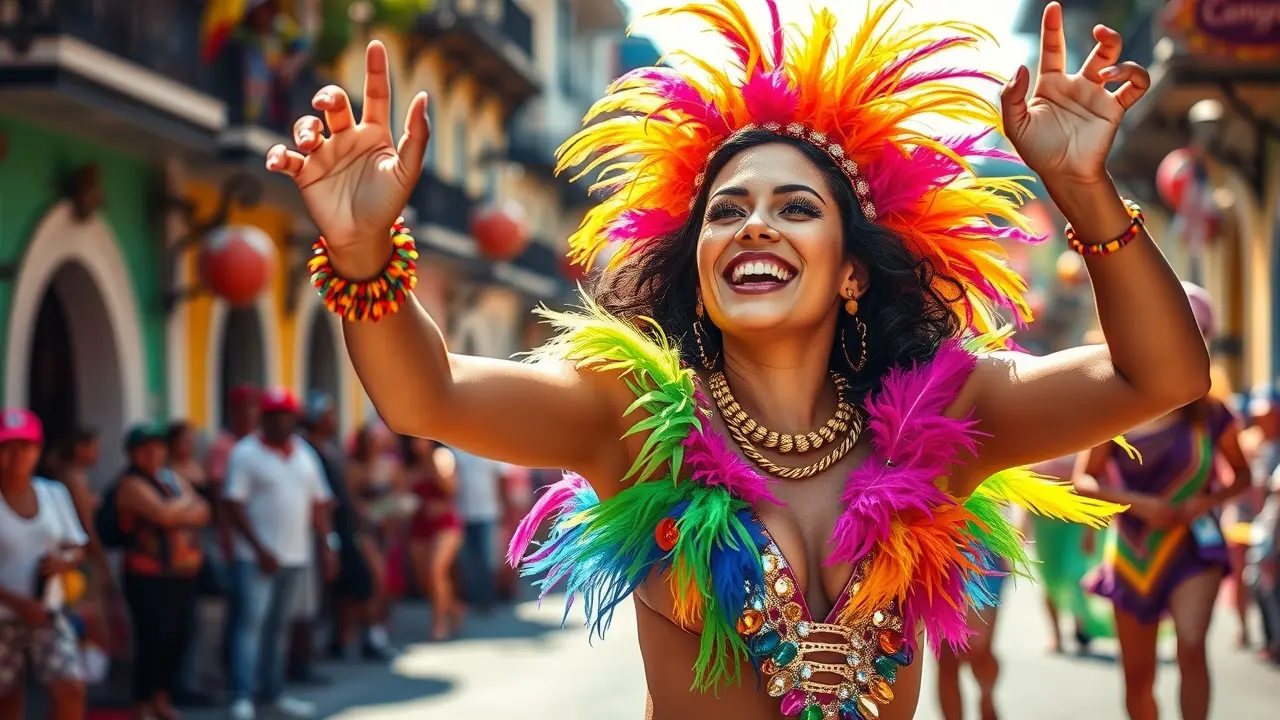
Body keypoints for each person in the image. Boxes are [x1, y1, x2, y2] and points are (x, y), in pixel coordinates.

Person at [265, 2, 1209, 717]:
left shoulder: (946, 420)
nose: (754, 221)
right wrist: (362, 256)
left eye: (797, 207)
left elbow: (1164, 377)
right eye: (726, 210)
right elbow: (425, 394)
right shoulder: (633, 415)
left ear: (851, 272)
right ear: (702, 267)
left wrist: (1084, 191)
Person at [1074, 283, 1254, 720]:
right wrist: (1140, 504)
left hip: (1194, 545)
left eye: (1196, 336)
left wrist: (1205, 500)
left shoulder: (1214, 413)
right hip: (1132, 548)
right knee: (1139, 677)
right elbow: (1084, 481)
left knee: (1192, 645)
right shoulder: (1115, 406)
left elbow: (1242, 476)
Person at [223, 389, 336, 720]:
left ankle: (273, 691)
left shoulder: (304, 454)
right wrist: (259, 548)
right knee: (250, 625)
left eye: (288, 415)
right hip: (255, 559)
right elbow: (234, 504)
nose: (283, 421)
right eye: (276, 415)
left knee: (279, 628)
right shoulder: (245, 454)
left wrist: (328, 545)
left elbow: (319, 503)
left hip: (294, 556)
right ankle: (241, 695)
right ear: (266, 418)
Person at [114, 424, 210, 720]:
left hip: (180, 574)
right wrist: (184, 508)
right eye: (145, 448)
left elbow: (204, 509)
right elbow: (162, 516)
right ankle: (143, 703)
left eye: (158, 446)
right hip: (147, 576)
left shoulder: (171, 479)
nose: (153, 453)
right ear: (133, 453)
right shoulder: (130, 484)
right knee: (152, 639)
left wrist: (176, 509)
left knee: (177, 638)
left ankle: (162, 699)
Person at [0, 410, 87, 720]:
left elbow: (78, 546)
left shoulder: (54, 494)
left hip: (48, 612)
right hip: (4, 617)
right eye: (7, 448)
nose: (16, 456)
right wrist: (18, 604)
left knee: (71, 688)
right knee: (8, 700)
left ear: (37, 451)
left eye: (24, 447)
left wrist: (64, 562)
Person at [1026, 454, 1113, 654]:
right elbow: (1023, 485)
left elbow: (1097, 480)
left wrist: (1092, 526)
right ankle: (1056, 634)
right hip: (1045, 524)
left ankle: (1080, 626)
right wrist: (1020, 524)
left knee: (1076, 573)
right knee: (1049, 578)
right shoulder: (1037, 441)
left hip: (1075, 522)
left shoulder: (1084, 441)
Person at [404, 436, 463, 640]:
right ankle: (454, 608)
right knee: (425, 580)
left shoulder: (441, 456)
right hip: (420, 526)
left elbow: (451, 487)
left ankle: (439, 624)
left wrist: (430, 460)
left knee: (436, 570)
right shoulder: (410, 465)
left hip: (446, 524)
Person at [451, 449, 508, 613]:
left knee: (486, 557)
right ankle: (473, 597)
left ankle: (487, 598)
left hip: (487, 511)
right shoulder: (456, 451)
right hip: (463, 512)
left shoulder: (489, 449)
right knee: (469, 558)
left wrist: (502, 503)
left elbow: (501, 477)